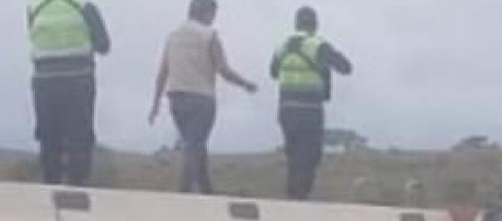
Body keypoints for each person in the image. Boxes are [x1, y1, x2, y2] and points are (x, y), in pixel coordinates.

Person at [149, 0, 257, 195]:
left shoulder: (173, 36)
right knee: (194, 145)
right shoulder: (210, 35)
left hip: (176, 98)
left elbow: (163, 72)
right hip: (201, 99)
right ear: (207, 12)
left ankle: (207, 190)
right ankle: (184, 191)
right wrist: (246, 84)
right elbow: (223, 70)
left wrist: (155, 104)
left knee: (196, 143)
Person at [270, 6, 352, 200]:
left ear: (296, 23)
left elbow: (273, 72)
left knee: (294, 156)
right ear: (315, 24)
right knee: (311, 155)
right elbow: (346, 67)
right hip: (310, 110)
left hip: (286, 109)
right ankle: (299, 198)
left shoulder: (282, 45)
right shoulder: (317, 44)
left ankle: (293, 198)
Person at [27, 0, 111, 185]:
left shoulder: (34, 7)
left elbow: (32, 37)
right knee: (79, 134)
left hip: (44, 80)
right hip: (78, 78)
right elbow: (104, 45)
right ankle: (77, 184)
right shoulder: (84, 7)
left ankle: (50, 183)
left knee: (48, 135)